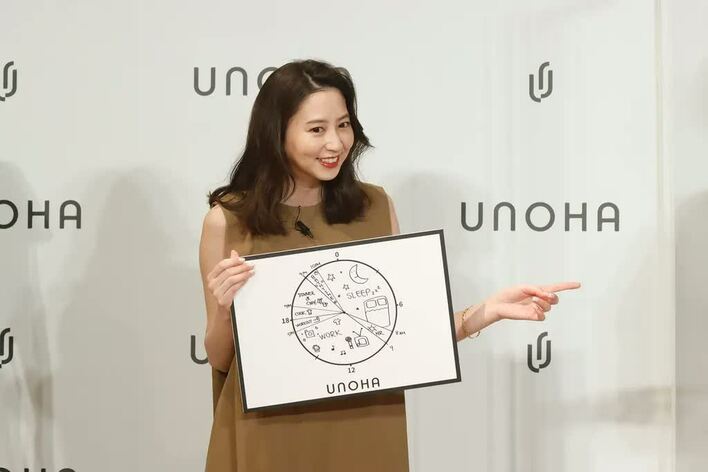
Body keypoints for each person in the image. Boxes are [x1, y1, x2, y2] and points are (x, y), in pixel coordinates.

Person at [198, 59, 580, 471]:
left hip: (365, 424)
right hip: (268, 434)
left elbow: (398, 332)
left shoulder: (375, 207)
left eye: (343, 125)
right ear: (276, 133)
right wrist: (225, 309)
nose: (335, 143)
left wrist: (487, 311)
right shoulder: (227, 220)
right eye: (317, 130)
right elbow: (220, 358)